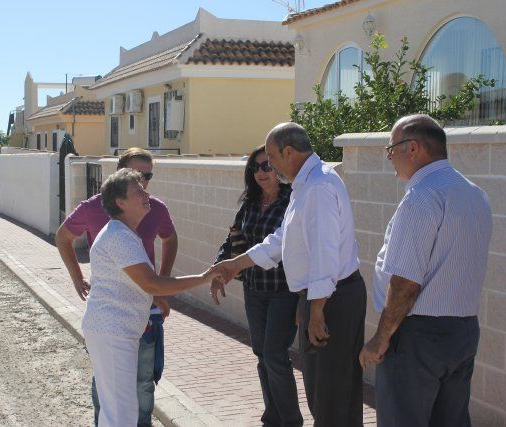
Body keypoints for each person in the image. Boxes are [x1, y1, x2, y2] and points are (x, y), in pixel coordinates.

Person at [215, 122, 366, 427]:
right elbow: (282, 239)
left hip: (330, 299)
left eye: (271, 158)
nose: (269, 165)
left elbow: (325, 254)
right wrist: (236, 263)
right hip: (325, 297)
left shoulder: (319, 187)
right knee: (330, 393)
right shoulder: (306, 184)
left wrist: (316, 310)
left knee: (329, 395)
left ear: (288, 151)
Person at [359, 114, 492, 427]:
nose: (390, 159)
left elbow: (405, 283)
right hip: (463, 331)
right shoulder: (475, 194)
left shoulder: (421, 197)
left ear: (413, 148)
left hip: (418, 337)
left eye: (391, 150)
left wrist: (380, 338)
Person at [82, 168, 221, 426]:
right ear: (120, 202)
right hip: (112, 331)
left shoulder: (124, 233)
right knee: (120, 412)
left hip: (116, 330)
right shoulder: (118, 237)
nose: (146, 194)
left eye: (144, 189)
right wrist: (204, 278)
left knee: (118, 408)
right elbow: (152, 284)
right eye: (138, 191)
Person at [56, 148, 178, 427]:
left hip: (144, 310)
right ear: (121, 173)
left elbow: (170, 240)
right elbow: (63, 237)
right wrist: (76, 277)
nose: (144, 182)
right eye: (138, 176)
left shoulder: (153, 207)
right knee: (109, 386)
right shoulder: (93, 207)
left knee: (144, 381)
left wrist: (161, 286)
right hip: (113, 318)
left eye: (148, 176)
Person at [211, 145, 303, 426]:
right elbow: (233, 239)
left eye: (267, 166)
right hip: (254, 290)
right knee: (262, 354)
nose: (261, 172)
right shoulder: (249, 203)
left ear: (277, 168)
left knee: (275, 355)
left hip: (285, 290)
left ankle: (290, 421)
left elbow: (289, 244)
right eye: (255, 167)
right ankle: (273, 416)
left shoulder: (292, 200)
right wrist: (219, 267)